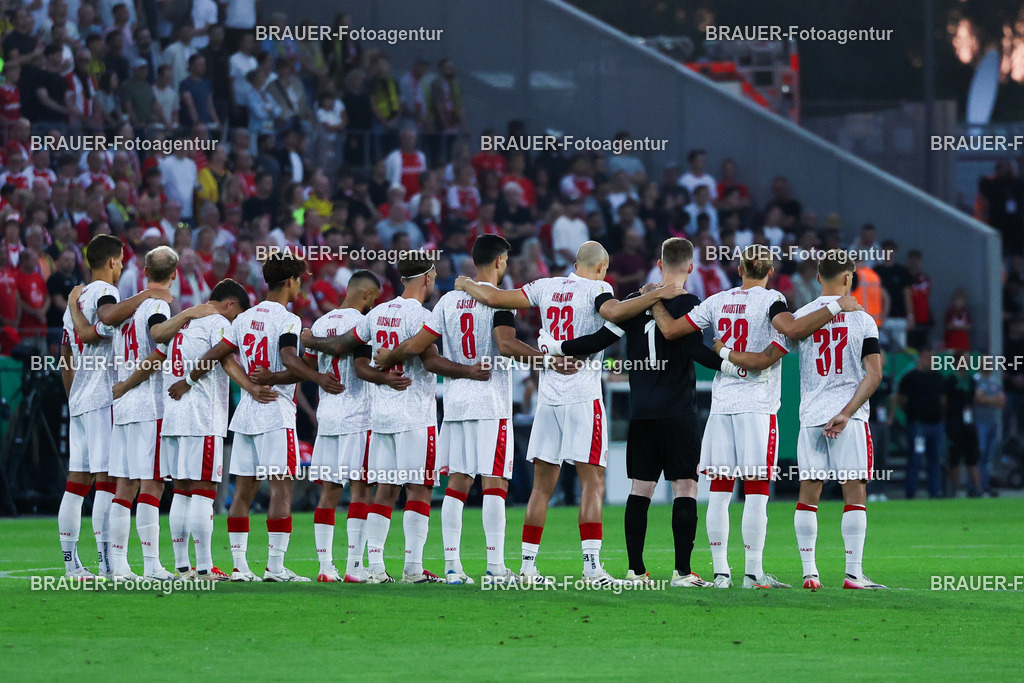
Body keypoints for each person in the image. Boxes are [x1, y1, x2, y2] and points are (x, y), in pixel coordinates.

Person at [455, 241, 688, 586]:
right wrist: (653, 297)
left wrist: (466, 284)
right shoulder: (598, 288)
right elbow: (612, 313)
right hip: (583, 395)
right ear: (601, 267)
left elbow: (495, 299)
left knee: (541, 488)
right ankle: (592, 568)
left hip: (548, 397)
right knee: (592, 483)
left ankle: (528, 567)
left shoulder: (544, 286)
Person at [652, 244, 863, 589]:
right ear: (770, 272)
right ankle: (753, 572)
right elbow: (792, 330)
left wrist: (655, 302)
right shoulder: (772, 301)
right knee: (756, 490)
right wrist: (838, 306)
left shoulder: (717, 300)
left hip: (721, 406)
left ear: (739, 270)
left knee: (719, 490)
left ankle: (721, 573)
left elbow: (672, 331)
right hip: (757, 406)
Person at [544, 238, 750, 586]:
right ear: (690, 267)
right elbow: (693, 349)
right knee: (685, 486)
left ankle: (635, 570)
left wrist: (557, 346)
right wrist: (730, 365)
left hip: (641, 410)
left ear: (658, 264)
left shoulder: (632, 304)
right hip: (678, 410)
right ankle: (683, 572)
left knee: (640, 489)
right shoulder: (690, 303)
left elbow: (598, 340)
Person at [374, 236, 573, 585]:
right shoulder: (499, 302)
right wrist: (549, 362)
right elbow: (507, 345)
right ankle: (495, 566)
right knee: (494, 483)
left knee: (457, 484)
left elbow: (421, 346)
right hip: (489, 403)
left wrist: (388, 357)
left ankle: (453, 568)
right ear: (499, 262)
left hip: (454, 404)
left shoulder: (447, 302)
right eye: (507, 260)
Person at [301, 251, 491, 584]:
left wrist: (312, 340)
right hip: (415, 415)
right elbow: (431, 363)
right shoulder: (420, 314)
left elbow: (354, 357)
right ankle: (413, 568)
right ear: (429, 278)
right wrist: (468, 371)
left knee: (384, 491)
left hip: (380, 418)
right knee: (419, 490)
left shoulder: (377, 314)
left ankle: (374, 568)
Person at [169, 252, 342, 581]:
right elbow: (289, 356)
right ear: (290, 281)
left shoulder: (243, 319)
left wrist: (196, 380)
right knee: (282, 488)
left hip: (246, 413)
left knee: (244, 491)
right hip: (275, 411)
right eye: (299, 281)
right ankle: (275, 567)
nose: (299, 286)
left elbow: (219, 355)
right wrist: (318, 378)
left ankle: (239, 566)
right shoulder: (287, 319)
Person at [725, 250, 888, 589]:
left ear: (817, 279)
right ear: (849, 278)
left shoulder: (799, 316)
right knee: (854, 490)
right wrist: (845, 413)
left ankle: (809, 572)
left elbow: (769, 356)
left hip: (811, 413)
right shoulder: (863, 319)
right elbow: (873, 376)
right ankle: (853, 573)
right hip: (850, 416)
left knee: (808, 491)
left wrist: (725, 354)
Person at [59, 235, 171, 580]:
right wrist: (148, 294)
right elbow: (101, 325)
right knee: (109, 481)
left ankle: (71, 564)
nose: (122, 267)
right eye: (121, 261)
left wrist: (72, 397)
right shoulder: (107, 296)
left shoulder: (74, 301)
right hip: (105, 398)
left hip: (79, 399)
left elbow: (65, 354)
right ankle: (109, 562)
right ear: (111, 262)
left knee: (78, 482)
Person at [298, 271, 408, 583]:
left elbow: (307, 366)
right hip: (358, 417)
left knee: (329, 493)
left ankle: (324, 568)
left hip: (328, 416)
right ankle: (354, 566)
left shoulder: (319, 324)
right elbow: (360, 369)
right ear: (368, 295)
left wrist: (321, 378)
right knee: (361, 491)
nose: (374, 304)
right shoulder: (363, 325)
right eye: (374, 299)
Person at [158, 280, 268, 580]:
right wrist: (250, 387)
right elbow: (225, 358)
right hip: (202, 416)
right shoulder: (218, 322)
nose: (234, 322)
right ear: (230, 305)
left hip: (174, 416)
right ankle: (205, 567)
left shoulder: (184, 322)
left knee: (181, 491)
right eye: (236, 315)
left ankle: (183, 567)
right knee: (204, 492)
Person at [894, 348, 946, 499]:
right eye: (927, 357)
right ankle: (910, 492)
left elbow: (943, 400)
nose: (929, 360)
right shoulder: (910, 377)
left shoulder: (938, 377)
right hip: (918, 425)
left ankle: (934, 492)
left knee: (935, 459)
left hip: (935, 423)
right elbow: (900, 399)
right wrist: (911, 413)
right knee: (915, 458)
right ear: (920, 358)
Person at [945, 353, 982, 497]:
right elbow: (944, 403)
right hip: (955, 424)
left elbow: (976, 398)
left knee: (972, 457)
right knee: (955, 458)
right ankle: (955, 489)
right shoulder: (950, 380)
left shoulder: (971, 380)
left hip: (969, 424)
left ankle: (977, 488)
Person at [974, 364, 1004, 497]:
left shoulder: (995, 381)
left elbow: (1002, 402)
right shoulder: (976, 380)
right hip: (979, 423)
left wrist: (987, 399)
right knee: (979, 456)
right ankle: (978, 487)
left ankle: (986, 485)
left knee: (988, 457)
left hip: (992, 423)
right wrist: (993, 400)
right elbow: (979, 399)